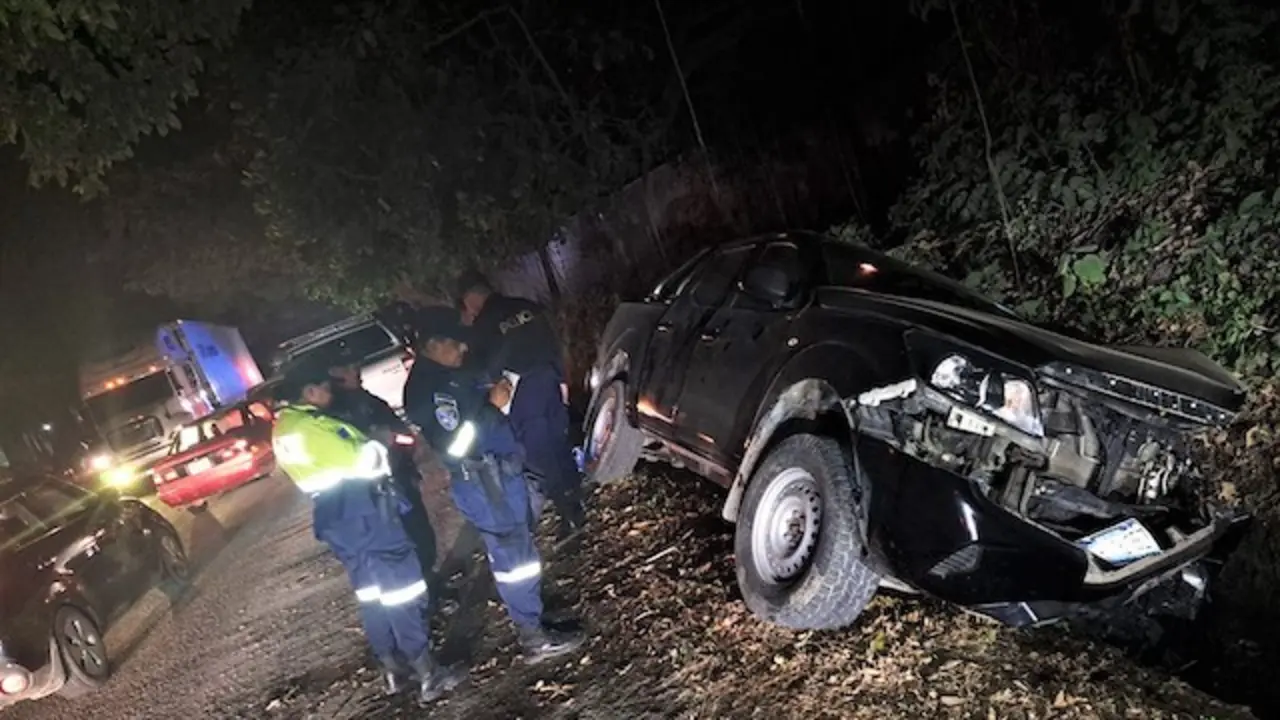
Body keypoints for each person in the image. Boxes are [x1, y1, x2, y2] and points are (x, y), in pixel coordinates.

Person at [271, 360, 466, 705]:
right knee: (402, 590)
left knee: (372, 594)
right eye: (325, 388)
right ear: (310, 392)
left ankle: (392, 669)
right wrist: (377, 440)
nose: (331, 392)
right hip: (364, 510)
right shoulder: (313, 427)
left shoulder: (286, 427)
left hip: (336, 516)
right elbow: (365, 461)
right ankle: (427, 673)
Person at [403, 308, 585, 663]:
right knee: (513, 556)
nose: (461, 349)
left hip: (497, 475)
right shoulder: (428, 389)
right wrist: (490, 407)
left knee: (518, 549)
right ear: (432, 345)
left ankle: (532, 616)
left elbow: (473, 393)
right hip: (485, 479)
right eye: (454, 344)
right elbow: (457, 444)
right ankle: (533, 637)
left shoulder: (448, 374)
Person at [456, 271, 586, 541]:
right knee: (558, 442)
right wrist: (562, 378)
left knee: (539, 454)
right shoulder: (527, 306)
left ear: (471, 299)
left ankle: (569, 513)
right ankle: (576, 499)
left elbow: (479, 369)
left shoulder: (482, 326)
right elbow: (554, 341)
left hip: (522, 393)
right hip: (550, 380)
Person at [326, 360, 439, 595]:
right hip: (378, 490)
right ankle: (424, 601)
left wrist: (403, 443)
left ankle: (431, 583)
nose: (354, 370)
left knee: (420, 534)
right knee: (404, 541)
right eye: (346, 367)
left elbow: (399, 429)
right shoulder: (335, 412)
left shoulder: (365, 399)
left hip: (400, 477)